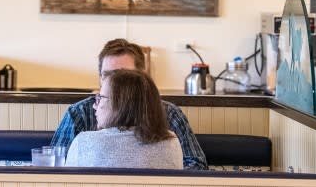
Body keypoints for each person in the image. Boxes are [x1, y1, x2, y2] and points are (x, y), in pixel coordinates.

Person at [51, 38, 207, 170]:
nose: (114, 83)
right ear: (99, 77)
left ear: (142, 78)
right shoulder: (79, 112)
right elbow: (56, 164)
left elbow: (196, 165)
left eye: (123, 77)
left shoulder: (170, 113)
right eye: (107, 76)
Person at [65, 69, 183, 169]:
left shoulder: (84, 142)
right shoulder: (172, 143)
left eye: (100, 98)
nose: (94, 105)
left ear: (120, 104)